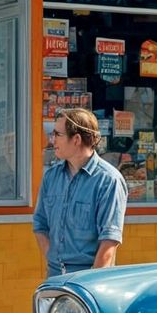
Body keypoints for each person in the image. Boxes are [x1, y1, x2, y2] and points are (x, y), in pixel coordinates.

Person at [33, 109, 128, 279]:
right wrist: (53, 258)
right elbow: (40, 224)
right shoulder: (51, 177)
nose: (52, 139)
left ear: (76, 139)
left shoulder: (108, 180)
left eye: (57, 134)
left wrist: (89, 285)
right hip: (54, 278)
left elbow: (109, 241)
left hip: (89, 281)